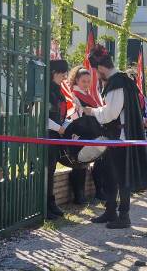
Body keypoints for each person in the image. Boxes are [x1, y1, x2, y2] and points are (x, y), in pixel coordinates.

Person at [84, 44, 147, 228]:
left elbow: (110, 114)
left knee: (121, 177)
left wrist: (92, 111)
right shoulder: (123, 80)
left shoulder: (117, 83)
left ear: (100, 68)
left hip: (119, 137)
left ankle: (123, 216)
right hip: (116, 136)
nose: (97, 75)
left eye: (96, 71)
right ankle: (111, 211)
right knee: (110, 175)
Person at [67, 66, 105, 204]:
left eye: (89, 81)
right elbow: (74, 115)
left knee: (99, 160)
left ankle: (99, 190)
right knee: (79, 163)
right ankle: (79, 195)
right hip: (80, 132)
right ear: (76, 80)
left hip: (93, 132)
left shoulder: (90, 95)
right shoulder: (73, 95)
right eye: (84, 81)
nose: (87, 84)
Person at [45, 58, 71, 219]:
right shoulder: (47, 90)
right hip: (47, 135)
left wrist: (68, 127)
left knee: (52, 170)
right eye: (63, 74)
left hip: (56, 136)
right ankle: (45, 205)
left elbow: (61, 115)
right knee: (46, 171)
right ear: (54, 73)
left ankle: (51, 202)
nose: (65, 77)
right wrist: (59, 128)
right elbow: (42, 116)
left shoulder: (58, 90)